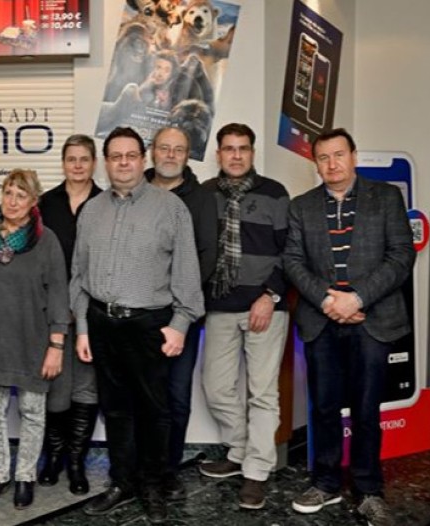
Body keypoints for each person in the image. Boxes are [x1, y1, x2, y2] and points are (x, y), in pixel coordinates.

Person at [71, 127, 204, 524]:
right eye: (116, 156)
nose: (124, 162)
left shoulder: (170, 208)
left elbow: (187, 272)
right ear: (106, 162)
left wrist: (180, 323)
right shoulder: (92, 210)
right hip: (101, 323)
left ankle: (152, 486)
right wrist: (82, 327)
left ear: (143, 159)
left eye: (131, 155)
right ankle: (122, 482)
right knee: (115, 411)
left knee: (154, 412)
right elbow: (78, 274)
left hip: (150, 326)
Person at [284, 129, 414, 526]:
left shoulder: (385, 197)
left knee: (366, 409)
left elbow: (401, 255)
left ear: (353, 156)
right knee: (324, 407)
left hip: (372, 320)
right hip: (321, 321)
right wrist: (329, 302)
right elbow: (292, 261)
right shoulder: (301, 206)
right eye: (323, 157)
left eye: (339, 154)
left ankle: (369, 491)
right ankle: (325, 484)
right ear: (316, 164)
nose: (332, 164)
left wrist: (356, 299)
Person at [0, 169, 71, 510]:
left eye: (21, 195)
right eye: (8, 192)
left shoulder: (46, 240)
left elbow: (59, 297)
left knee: (32, 414)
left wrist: (56, 346)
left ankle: (24, 476)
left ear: (34, 201)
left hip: (33, 343)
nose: (13, 201)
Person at [198, 123, 290, 510]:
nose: (236, 156)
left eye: (243, 149)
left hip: (265, 306)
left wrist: (270, 295)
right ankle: (239, 451)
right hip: (219, 305)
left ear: (252, 153)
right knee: (216, 387)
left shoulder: (275, 193)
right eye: (229, 149)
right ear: (218, 154)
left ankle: (256, 471)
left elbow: (291, 251)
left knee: (262, 393)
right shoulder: (204, 194)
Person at [144, 125, 218, 500]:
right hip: (138, 316)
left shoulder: (201, 199)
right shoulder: (133, 190)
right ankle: (139, 469)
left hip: (181, 317)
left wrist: (178, 308)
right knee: (140, 395)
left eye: (179, 149)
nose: (171, 155)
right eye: (164, 148)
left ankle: (168, 471)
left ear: (188, 156)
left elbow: (206, 256)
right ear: (152, 151)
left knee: (175, 396)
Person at [37, 134, 103, 495]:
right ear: (63, 163)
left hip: (94, 312)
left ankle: (77, 461)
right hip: (54, 312)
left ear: (94, 163)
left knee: (86, 387)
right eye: (71, 159)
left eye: (84, 159)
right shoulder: (45, 204)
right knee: (56, 385)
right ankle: (54, 456)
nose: (77, 165)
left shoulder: (107, 202)